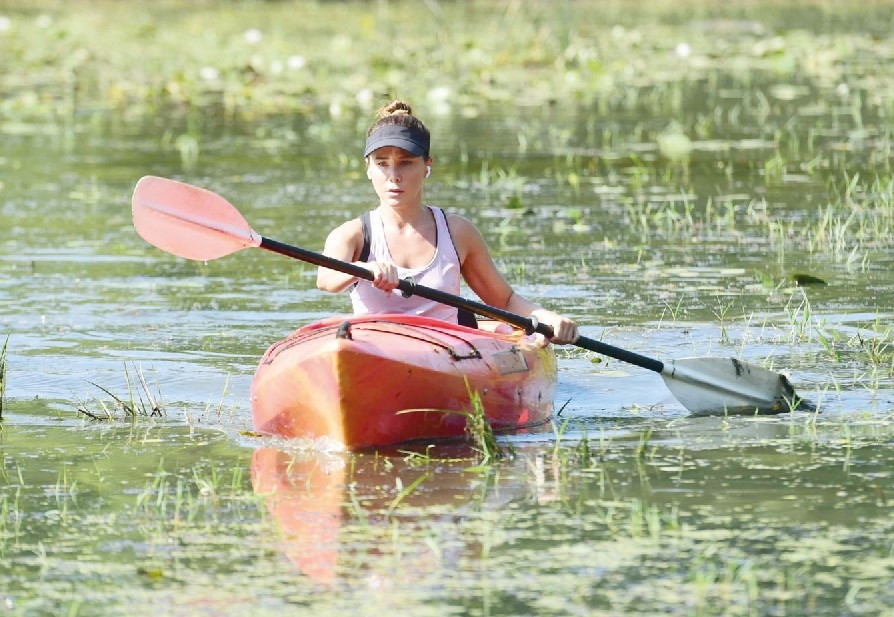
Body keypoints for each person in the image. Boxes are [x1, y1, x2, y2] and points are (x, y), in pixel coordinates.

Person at [316, 100, 579, 345]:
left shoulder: (458, 232)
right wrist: (363, 268)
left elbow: (504, 300)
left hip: (446, 351)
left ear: (427, 165)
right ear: (369, 169)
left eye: (406, 163)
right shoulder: (351, 235)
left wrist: (549, 318)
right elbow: (326, 279)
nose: (394, 176)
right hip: (375, 348)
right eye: (382, 164)